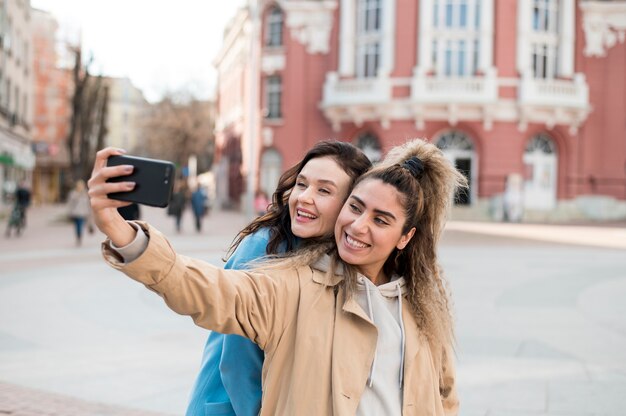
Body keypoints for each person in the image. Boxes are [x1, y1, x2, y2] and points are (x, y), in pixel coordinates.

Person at [90, 138, 465, 415]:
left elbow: (444, 394)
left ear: (406, 236)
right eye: (357, 208)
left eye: (381, 220)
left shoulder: (421, 306)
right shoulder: (289, 274)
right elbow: (210, 292)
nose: (359, 225)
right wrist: (124, 234)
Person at [67, 179, 92, 245]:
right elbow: (70, 203)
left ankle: (79, 237)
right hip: (76, 213)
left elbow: (88, 203)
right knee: (77, 226)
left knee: (80, 225)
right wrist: (69, 212)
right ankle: (78, 236)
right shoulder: (73, 193)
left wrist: (89, 212)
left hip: (83, 213)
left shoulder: (86, 193)